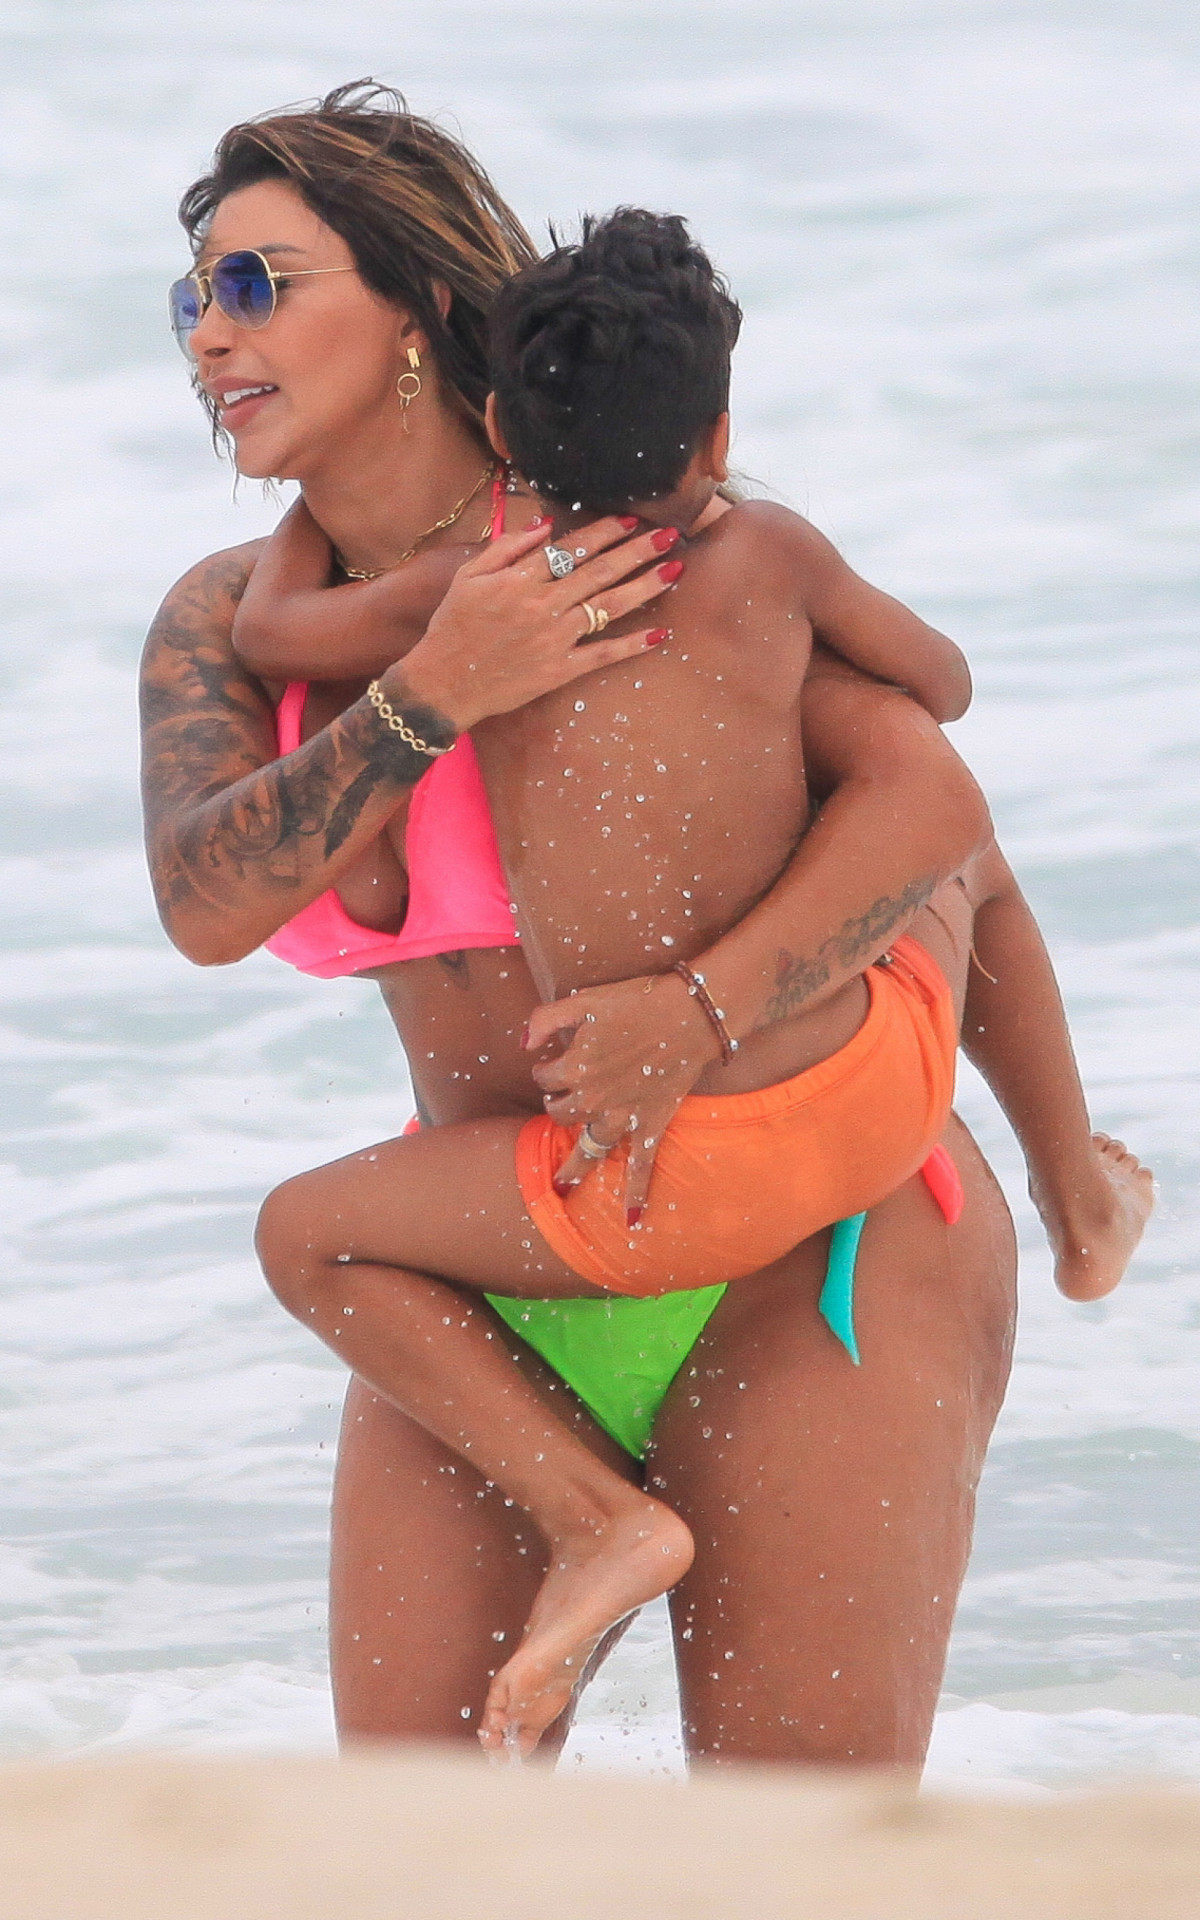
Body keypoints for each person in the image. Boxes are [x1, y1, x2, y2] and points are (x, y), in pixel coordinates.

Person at [135, 86, 1096, 1773]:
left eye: (259, 286)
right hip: (494, 1279)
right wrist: (432, 698)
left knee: (792, 1865)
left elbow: (938, 808)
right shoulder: (234, 624)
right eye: (195, 300)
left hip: (815, 1253)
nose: (212, 338)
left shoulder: (633, 533)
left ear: (427, 305)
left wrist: (700, 1014)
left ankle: (1080, 1190)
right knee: (423, 1858)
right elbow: (207, 902)